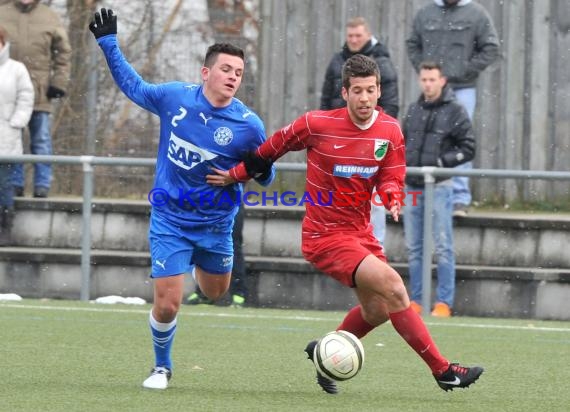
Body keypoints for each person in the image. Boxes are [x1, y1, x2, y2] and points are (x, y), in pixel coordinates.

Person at [209, 54, 483, 395]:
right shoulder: (315, 124)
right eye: (357, 91)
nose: (364, 98)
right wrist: (235, 175)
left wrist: (392, 195)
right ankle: (443, 371)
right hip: (323, 236)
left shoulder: (390, 130)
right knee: (396, 289)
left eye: (370, 90)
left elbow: (391, 175)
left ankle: (325, 353)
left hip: (360, 234)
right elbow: (270, 150)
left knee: (378, 310)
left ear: (379, 91)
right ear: (344, 92)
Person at [89, 8, 275, 390]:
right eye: (226, 70)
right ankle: (161, 368)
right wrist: (109, 43)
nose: (233, 78)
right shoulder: (175, 98)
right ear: (206, 73)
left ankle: (192, 266)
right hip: (170, 219)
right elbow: (135, 88)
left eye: (238, 73)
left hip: (215, 225)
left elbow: (267, 176)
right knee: (168, 304)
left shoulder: (248, 126)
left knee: (215, 292)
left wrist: (251, 169)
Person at [406, 0, 499, 216]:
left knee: (460, 142)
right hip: (431, 89)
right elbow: (412, 43)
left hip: (462, 88)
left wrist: (466, 70)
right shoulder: (425, 13)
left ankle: (459, 199)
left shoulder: (476, 14)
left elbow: (491, 47)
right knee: (422, 138)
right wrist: (426, 71)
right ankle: (420, 193)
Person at [403, 61, 475, 317]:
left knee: (443, 246)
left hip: (441, 187)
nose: (428, 84)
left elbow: (468, 147)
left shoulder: (455, 111)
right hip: (412, 185)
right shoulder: (413, 110)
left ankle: (444, 302)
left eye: (432, 79)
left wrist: (442, 163)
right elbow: (402, 143)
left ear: (442, 81)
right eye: (424, 79)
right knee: (414, 248)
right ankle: (417, 300)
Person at [320, 16, 400, 245]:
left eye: (358, 36)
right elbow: (326, 99)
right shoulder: (337, 62)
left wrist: (379, 133)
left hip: (370, 139)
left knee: (372, 202)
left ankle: (374, 254)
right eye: (350, 36)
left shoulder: (381, 62)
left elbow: (391, 104)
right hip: (339, 141)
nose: (354, 40)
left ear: (368, 36)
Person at [0, 0, 71, 198]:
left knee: (40, 139)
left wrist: (58, 83)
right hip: (6, 95)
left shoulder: (49, 17)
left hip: (40, 92)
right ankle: (14, 184)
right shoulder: (2, 13)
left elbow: (63, 54)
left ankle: (42, 184)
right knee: (12, 141)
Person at [0, 25, 34, 245]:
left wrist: (16, 123)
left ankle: (4, 228)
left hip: (6, 138)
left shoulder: (16, 69)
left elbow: (26, 97)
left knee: (4, 186)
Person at [186, 203, 249, 307]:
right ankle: (204, 292)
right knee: (204, 243)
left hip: (230, 201)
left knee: (233, 244)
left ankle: (239, 292)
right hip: (206, 202)